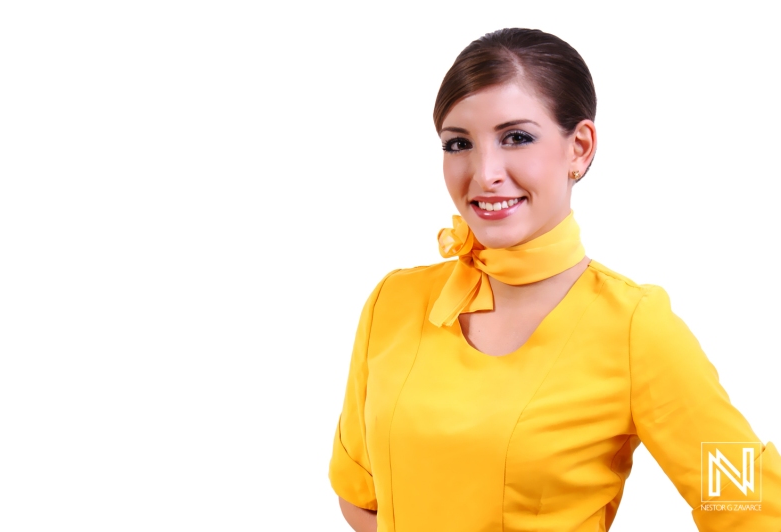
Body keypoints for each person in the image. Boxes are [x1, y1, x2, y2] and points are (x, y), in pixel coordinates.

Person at [327, 28, 781, 532]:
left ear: (579, 148)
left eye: (516, 137)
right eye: (459, 143)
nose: (484, 173)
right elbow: (360, 496)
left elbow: (750, 508)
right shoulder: (395, 302)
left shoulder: (635, 328)